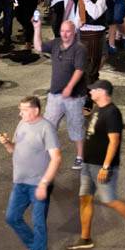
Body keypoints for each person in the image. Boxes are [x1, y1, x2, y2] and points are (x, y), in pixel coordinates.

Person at [65, 80, 125, 250]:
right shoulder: (98, 108)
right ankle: (85, 238)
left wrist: (106, 166)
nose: (90, 92)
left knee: (110, 200)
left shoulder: (112, 112)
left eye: (93, 90)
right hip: (88, 163)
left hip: (101, 166)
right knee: (85, 198)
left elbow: (114, 141)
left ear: (102, 92)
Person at [0, 96, 62, 250]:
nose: (21, 113)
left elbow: (57, 158)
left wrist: (44, 183)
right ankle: (35, 249)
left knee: (38, 224)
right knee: (12, 217)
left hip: (38, 185)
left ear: (36, 110)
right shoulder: (22, 124)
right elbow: (14, 151)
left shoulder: (46, 128)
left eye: (24, 110)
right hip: (20, 182)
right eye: (20, 110)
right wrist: (7, 143)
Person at [33, 18, 87, 170]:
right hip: (55, 94)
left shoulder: (79, 49)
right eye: (62, 31)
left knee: (76, 127)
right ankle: (45, 155)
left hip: (75, 97)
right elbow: (38, 47)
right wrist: (37, 28)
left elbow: (79, 70)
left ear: (74, 32)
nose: (64, 34)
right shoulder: (56, 43)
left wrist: (69, 86)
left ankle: (80, 157)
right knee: (49, 125)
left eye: (68, 31)